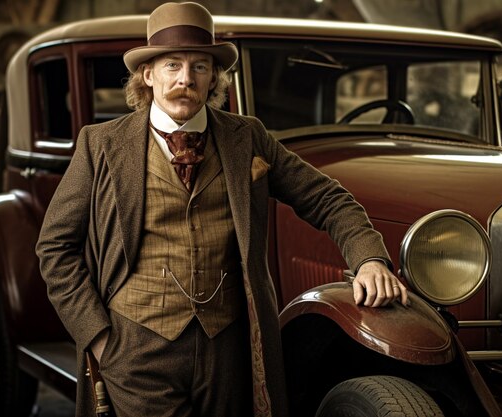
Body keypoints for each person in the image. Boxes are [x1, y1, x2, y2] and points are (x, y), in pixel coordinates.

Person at [35, 2, 407, 417]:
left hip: (228, 348)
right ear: (148, 75)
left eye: (198, 67)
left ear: (213, 77)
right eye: (171, 65)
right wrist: (100, 337)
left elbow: (327, 198)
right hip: (135, 347)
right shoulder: (100, 144)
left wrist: (370, 259)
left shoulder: (247, 136)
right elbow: (55, 248)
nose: (184, 79)